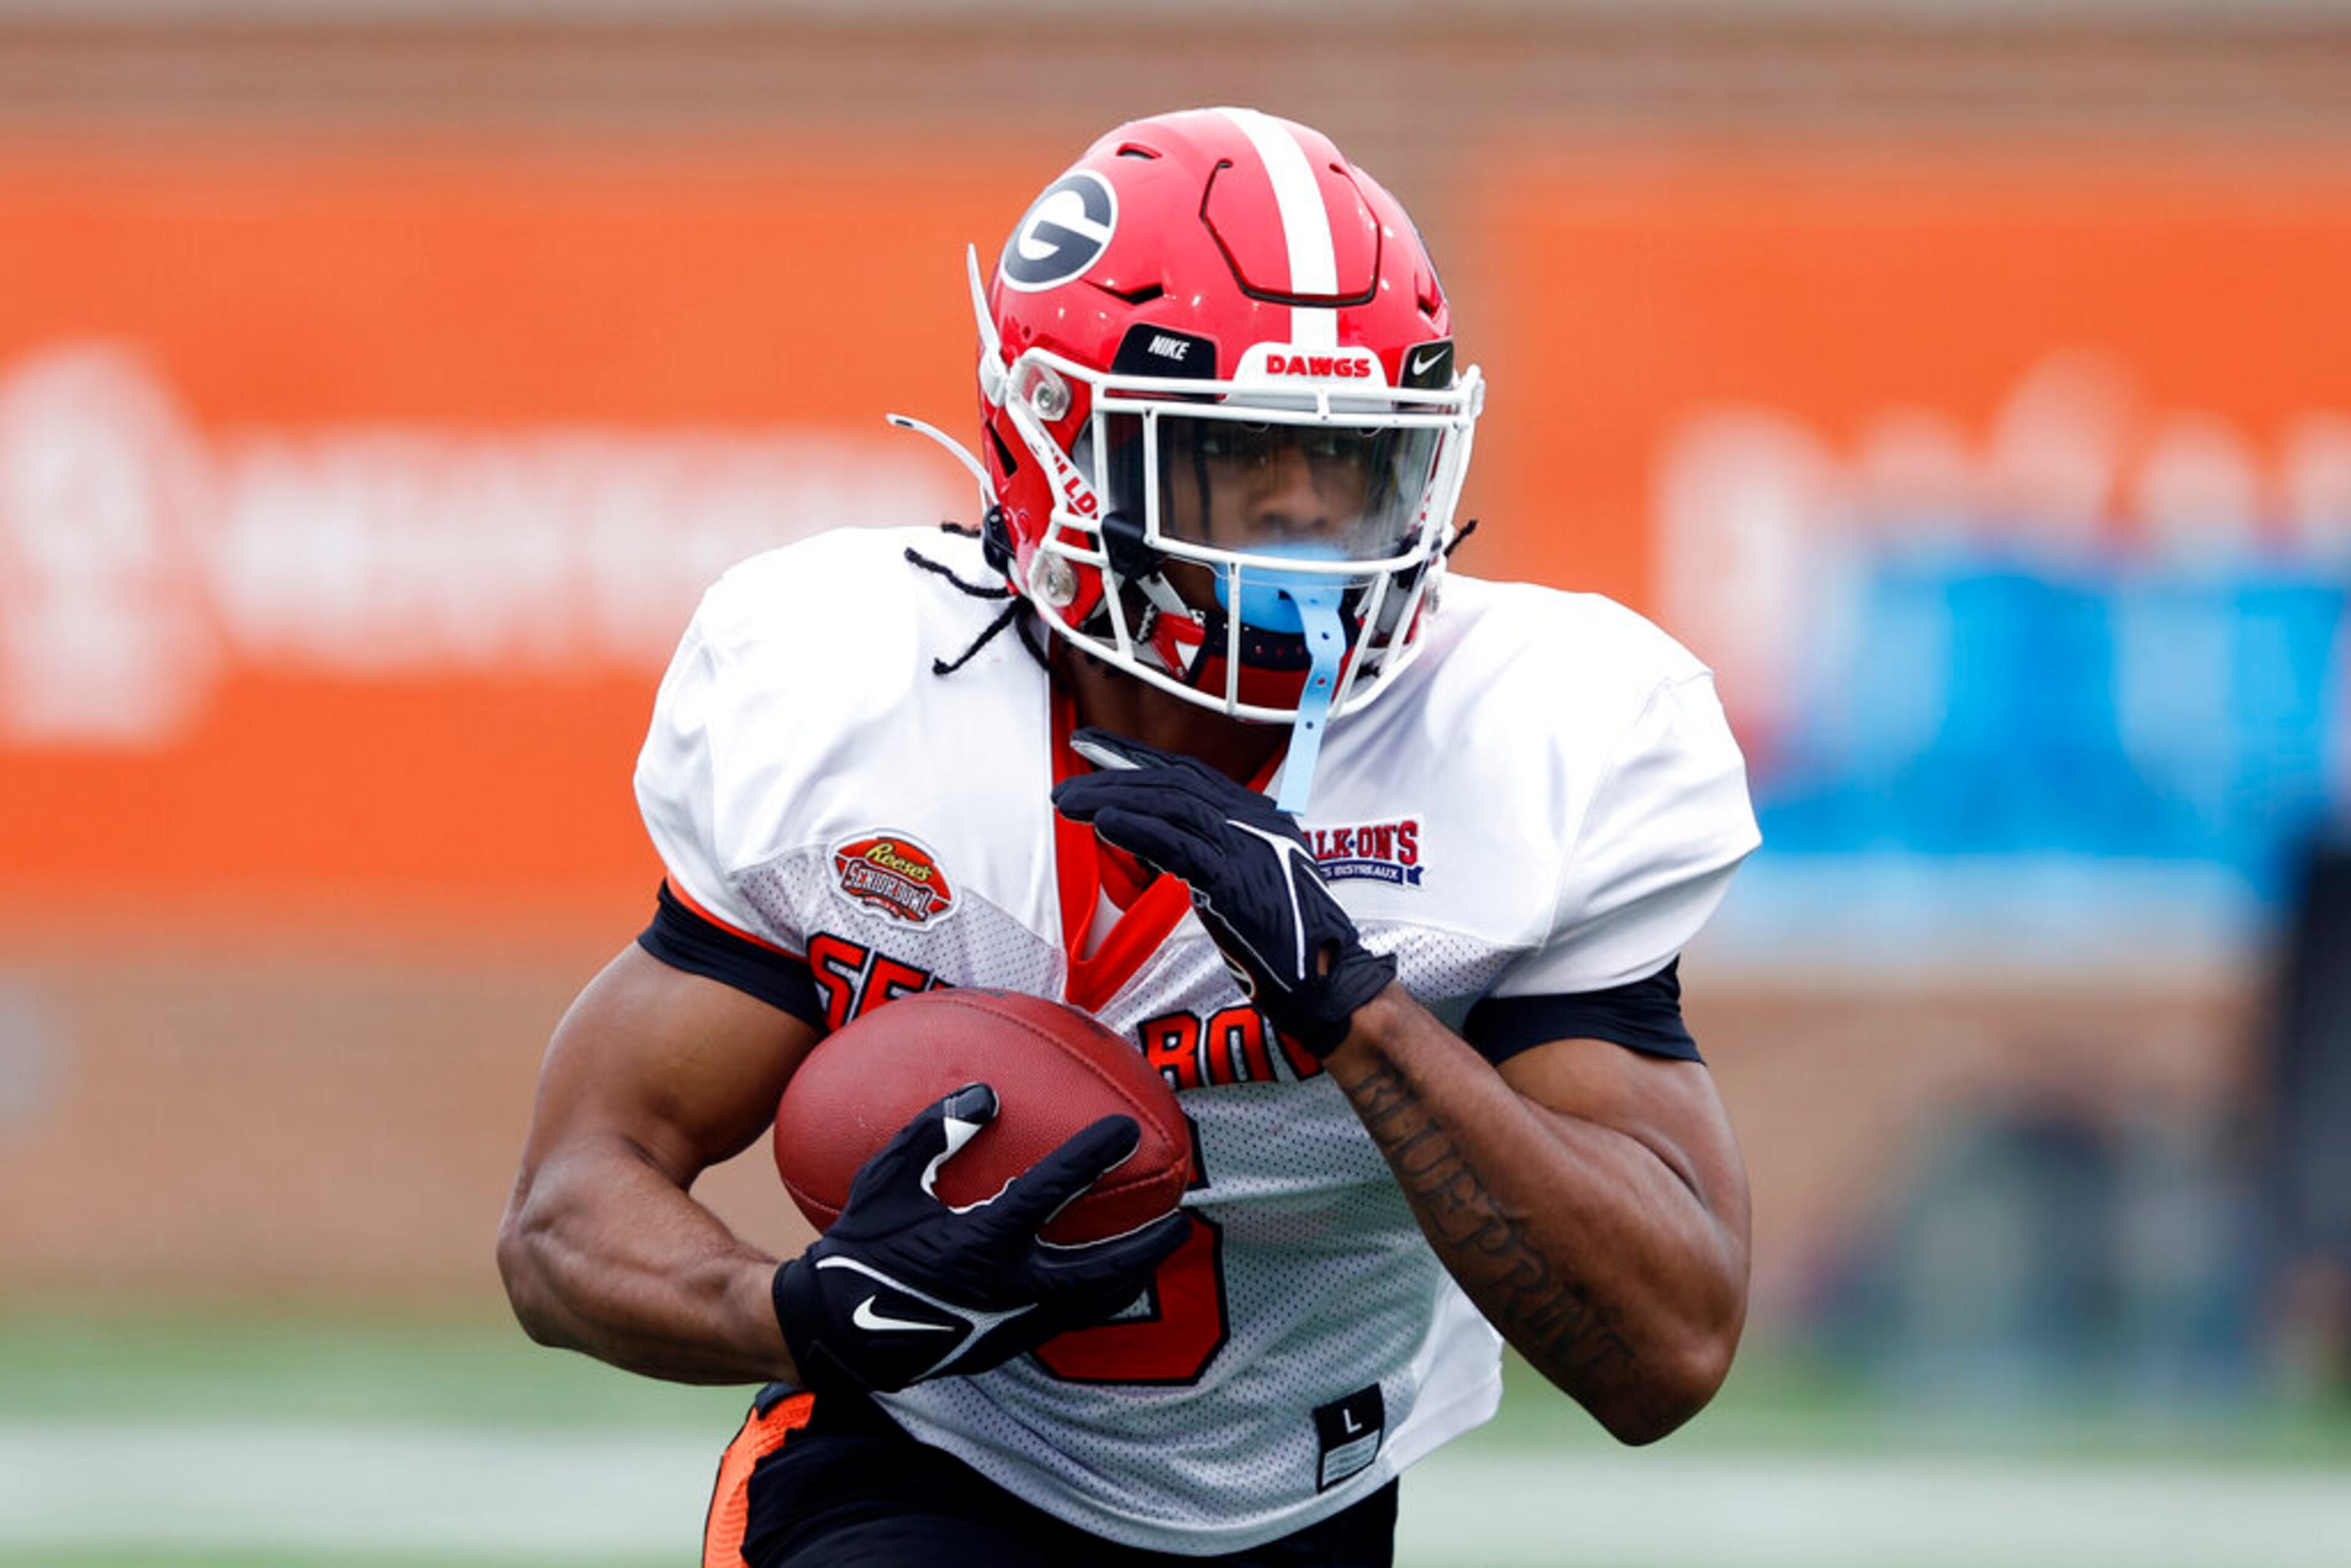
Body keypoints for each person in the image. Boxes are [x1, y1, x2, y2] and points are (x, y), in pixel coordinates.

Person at [498, 106, 1760, 1567]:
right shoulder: (850, 691)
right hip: (919, 1467)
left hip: (1310, 1502)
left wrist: (1359, 1013)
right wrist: (801, 1311)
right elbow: (567, 1210)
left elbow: (1667, 1349)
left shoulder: (1532, 735)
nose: (1305, 535)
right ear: (1056, 447)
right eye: (1240, 460)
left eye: (1353, 470)